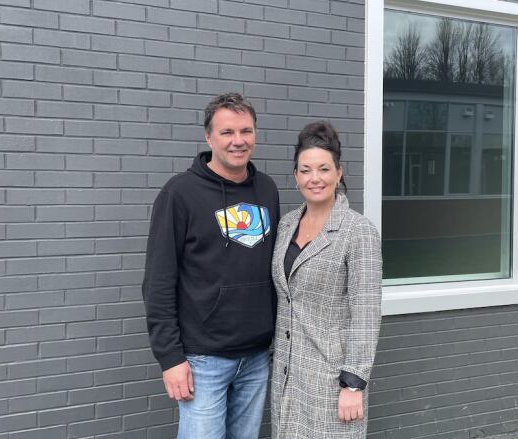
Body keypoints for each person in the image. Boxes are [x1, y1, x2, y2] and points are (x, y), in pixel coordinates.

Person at [141, 92, 279, 438]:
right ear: (208, 137)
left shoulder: (267, 190)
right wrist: (170, 358)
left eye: (246, 131)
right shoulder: (180, 194)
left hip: (257, 355)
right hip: (203, 360)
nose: (238, 141)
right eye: (227, 132)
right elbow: (158, 281)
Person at [270, 121, 382, 438]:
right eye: (305, 170)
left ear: (338, 173)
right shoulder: (287, 224)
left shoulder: (357, 231)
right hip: (288, 375)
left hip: (331, 380)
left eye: (323, 169)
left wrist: (353, 382)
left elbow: (367, 312)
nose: (314, 178)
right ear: (295, 176)